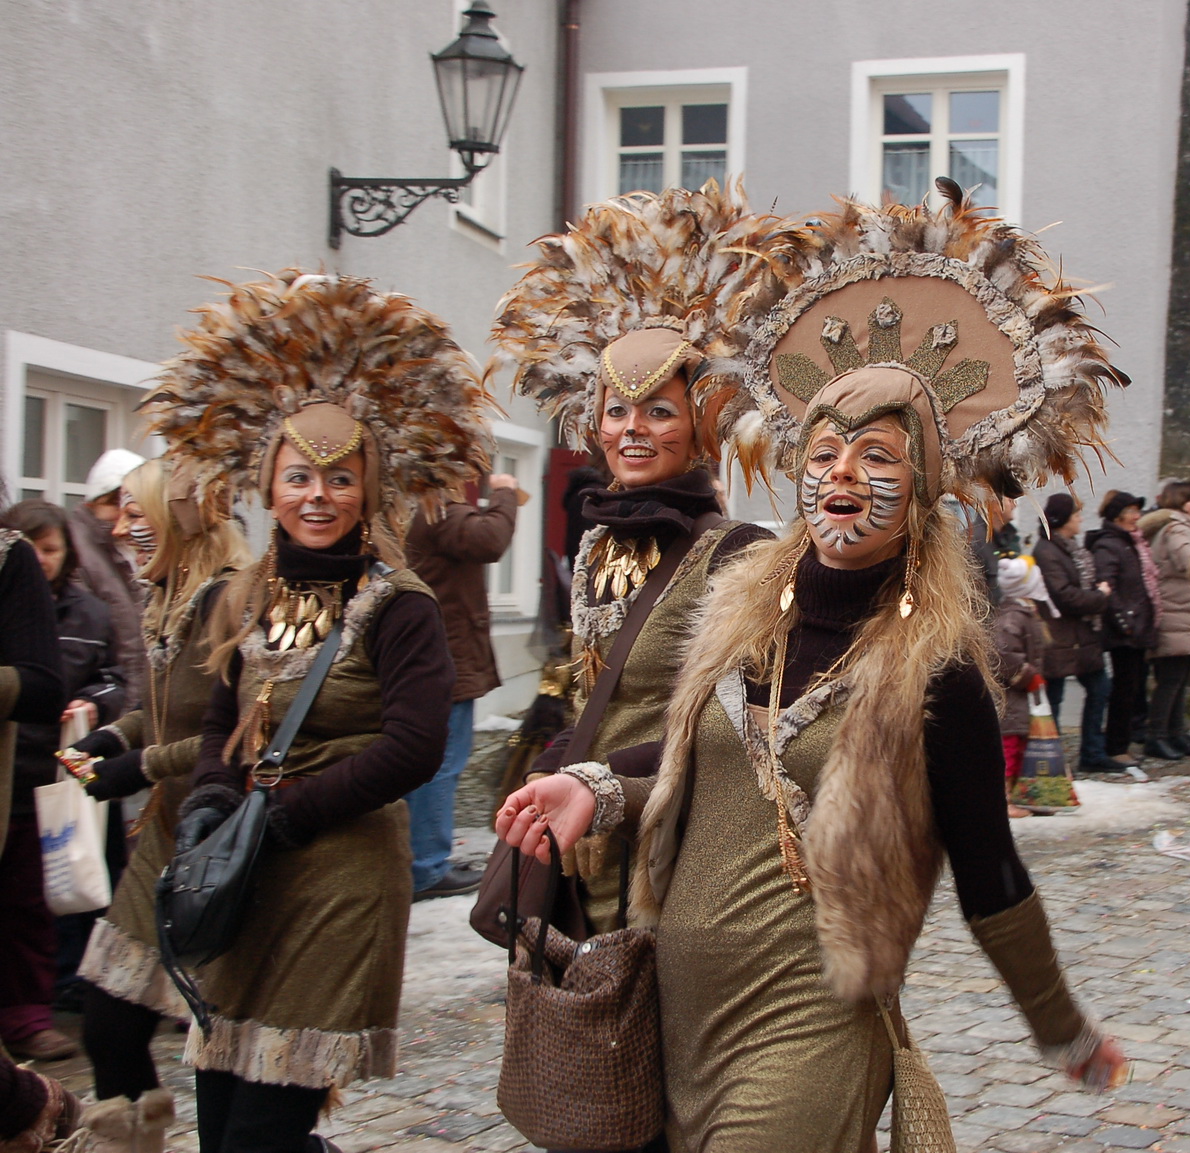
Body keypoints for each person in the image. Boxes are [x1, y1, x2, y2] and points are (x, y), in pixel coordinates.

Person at [499, 185, 1129, 1151]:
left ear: (919, 483)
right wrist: (594, 787)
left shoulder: (939, 678)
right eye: (824, 451)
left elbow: (992, 873)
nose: (839, 476)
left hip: (811, 1025)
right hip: (672, 1012)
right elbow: (681, 755)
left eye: (874, 456)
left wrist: (1062, 1028)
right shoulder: (739, 616)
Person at [138, 271, 493, 1153]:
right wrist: (216, 805)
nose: (319, 496)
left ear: (367, 489)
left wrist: (286, 813)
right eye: (300, 477)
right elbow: (226, 720)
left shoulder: (399, 601)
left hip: (339, 876)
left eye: (340, 478)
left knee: (261, 1128)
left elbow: (413, 746)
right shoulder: (251, 592)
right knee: (221, 1117)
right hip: (248, 870)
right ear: (270, 483)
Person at [492, 183, 778, 946]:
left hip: (675, 853)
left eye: (659, 409)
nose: (633, 429)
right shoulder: (596, 542)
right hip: (580, 840)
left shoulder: (739, 553)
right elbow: (595, 687)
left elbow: (732, 726)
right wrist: (551, 774)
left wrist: (605, 786)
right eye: (618, 409)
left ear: (703, 424)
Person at [62, 457, 251, 1146]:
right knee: (108, 1021)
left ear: (177, 516)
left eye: (136, 513)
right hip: (161, 836)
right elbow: (161, 710)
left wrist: (136, 764)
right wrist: (108, 738)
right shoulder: (165, 593)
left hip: (213, 837)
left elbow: (232, 732)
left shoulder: (232, 597)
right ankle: (130, 1135)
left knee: (221, 1050)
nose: (121, 527)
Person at [0, 500, 126, 1064]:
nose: (44, 560)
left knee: (38, 897)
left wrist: (95, 708)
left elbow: (113, 680)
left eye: (52, 549)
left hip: (52, 770)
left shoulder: (87, 614)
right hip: (30, 761)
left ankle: (31, 1010)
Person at [402, 474, 519, 901]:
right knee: (442, 762)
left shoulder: (412, 505)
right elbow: (489, 539)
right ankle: (426, 867)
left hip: (429, 657)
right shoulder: (436, 507)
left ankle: (421, 858)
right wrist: (504, 492)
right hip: (443, 660)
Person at [1033, 492, 1114, 773]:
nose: (1081, 519)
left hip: (1083, 637)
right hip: (1060, 637)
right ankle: (1051, 761)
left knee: (1100, 689)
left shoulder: (1072, 548)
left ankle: (1092, 753)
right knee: (1054, 698)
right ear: (1062, 520)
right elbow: (1064, 595)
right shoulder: (1046, 551)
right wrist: (1099, 596)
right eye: (1076, 514)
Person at [69, 449, 149, 711]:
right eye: (117, 505)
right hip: (98, 704)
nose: (123, 521)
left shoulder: (130, 547)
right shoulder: (77, 551)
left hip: (133, 703)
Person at [1089, 490, 1159, 773]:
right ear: (1118, 515)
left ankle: (1122, 743)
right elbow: (1108, 587)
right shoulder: (1109, 545)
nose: (1137, 516)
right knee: (1123, 690)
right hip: (1125, 632)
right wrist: (1126, 623)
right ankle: (1116, 747)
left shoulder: (1129, 543)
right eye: (1132, 511)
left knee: (1132, 689)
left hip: (1136, 629)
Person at [1140, 480, 1190, 761]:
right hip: (1175, 613)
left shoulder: (1176, 525)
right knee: (1171, 680)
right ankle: (1157, 736)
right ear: (1179, 501)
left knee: (1178, 678)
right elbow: (1187, 556)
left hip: (1181, 613)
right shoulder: (1178, 527)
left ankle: (1175, 732)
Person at [992, 556, 1054, 819]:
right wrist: (1028, 677)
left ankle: (1023, 795)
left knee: (1022, 745)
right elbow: (1002, 652)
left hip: (1023, 698)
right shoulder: (1011, 617)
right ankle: (1003, 800)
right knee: (1009, 747)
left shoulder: (1024, 613)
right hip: (1011, 696)